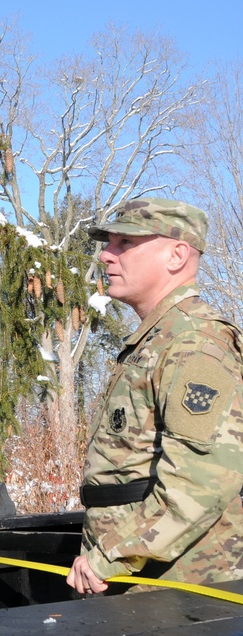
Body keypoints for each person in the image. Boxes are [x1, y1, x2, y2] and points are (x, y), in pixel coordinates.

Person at [67, 198, 243, 595]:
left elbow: (201, 482)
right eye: (108, 243)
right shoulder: (160, 340)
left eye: (125, 242)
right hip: (142, 579)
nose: (106, 256)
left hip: (178, 590)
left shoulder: (194, 343)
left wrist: (109, 555)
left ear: (177, 255)